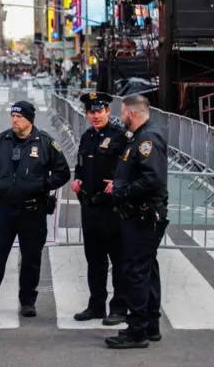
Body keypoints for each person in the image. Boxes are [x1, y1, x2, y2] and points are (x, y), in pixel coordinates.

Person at [0, 101, 71, 317]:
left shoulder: (44, 142)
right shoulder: (2, 140)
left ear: (29, 120)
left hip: (33, 211)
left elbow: (62, 172)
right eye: (13, 116)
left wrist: (42, 184)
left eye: (19, 117)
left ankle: (27, 301)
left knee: (31, 259)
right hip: (5, 210)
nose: (14, 120)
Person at [103, 95, 169, 349]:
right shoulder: (141, 136)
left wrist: (122, 191)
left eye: (122, 113)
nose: (121, 118)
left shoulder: (146, 139)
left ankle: (137, 330)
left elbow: (152, 180)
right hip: (143, 214)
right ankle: (150, 324)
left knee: (136, 272)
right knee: (147, 269)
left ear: (131, 113)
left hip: (142, 215)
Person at [72, 92, 129, 325]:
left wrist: (119, 182)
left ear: (108, 111)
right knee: (94, 260)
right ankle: (96, 306)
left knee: (118, 260)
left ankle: (119, 307)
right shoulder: (87, 137)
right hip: (90, 206)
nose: (95, 115)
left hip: (112, 209)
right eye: (91, 112)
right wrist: (77, 180)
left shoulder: (121, 137)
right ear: (86, 114)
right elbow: (81, 164)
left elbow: (131, 166)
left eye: (99, 111)